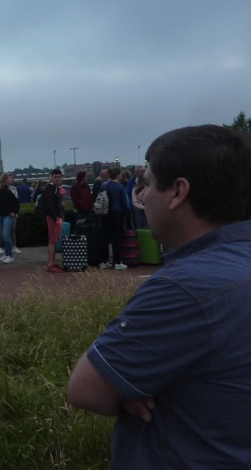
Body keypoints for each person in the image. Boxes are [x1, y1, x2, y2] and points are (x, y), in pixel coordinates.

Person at [67, 124, 251, 468]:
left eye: (148, 184)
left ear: (178, 191)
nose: (142, 196)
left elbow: (86, 390)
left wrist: (125, 386)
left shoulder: (184, 288)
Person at [100, 167, 131, 270]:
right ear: (118, 175)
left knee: (105, 237)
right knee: (116, 238)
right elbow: (124, 202)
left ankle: (104, 261)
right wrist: (126, 213)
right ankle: (117, 261)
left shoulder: (104, 186)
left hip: (105, 213)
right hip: (117, 213)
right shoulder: (120, 187)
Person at [41, 169, 65, 273]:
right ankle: (50, 264)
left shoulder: (55, 188)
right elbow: (49, 205)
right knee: (52, 241)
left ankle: (52, 263)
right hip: (53, 219)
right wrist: (55, 219)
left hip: (56, 217)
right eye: (55, 177)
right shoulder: (50, 189)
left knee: (54, 241)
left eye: (58, 177)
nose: (56, 179)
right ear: (51, 177)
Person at [0, 178, 19, 264]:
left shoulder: (7, 192)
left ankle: (10, 256)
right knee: (4, 236)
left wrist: (15, 212)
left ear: (1, 184)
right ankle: (6, 254)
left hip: (8, 216)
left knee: (6, 235)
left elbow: (16, 202)